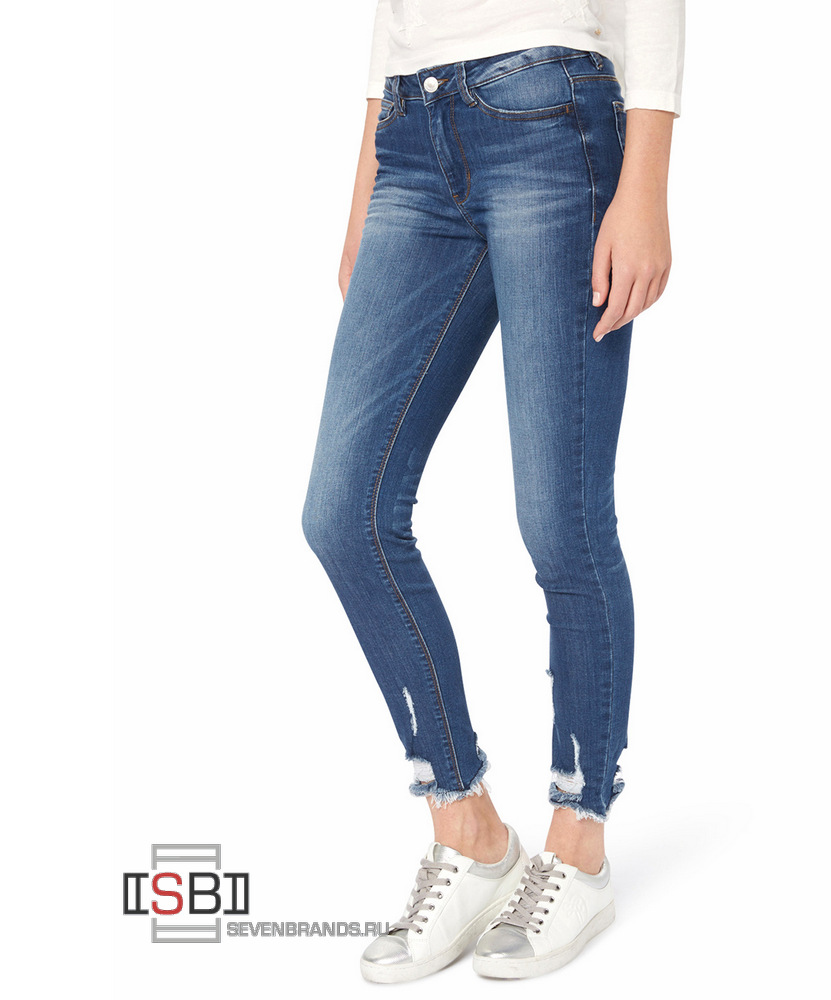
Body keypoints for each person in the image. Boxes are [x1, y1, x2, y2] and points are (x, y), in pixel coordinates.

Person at [301, 0, 684, 982]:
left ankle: (579, 846)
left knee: (561, 522)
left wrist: (646, 181)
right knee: (344, 513)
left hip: (551, 119)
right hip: (409, 137)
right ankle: (468, 830)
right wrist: (364, 187)